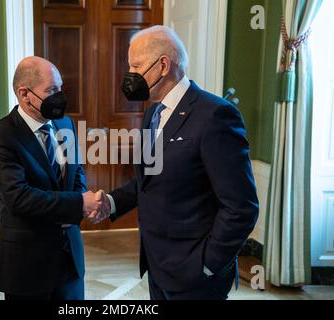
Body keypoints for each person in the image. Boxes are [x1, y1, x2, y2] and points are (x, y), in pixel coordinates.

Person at [90, 26, 259, 300]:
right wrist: (110, 202)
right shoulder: (152, 113)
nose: (130, 74)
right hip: (157, 265)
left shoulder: (216, 115)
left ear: (163, 65)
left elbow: (242, 207)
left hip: (196, 274)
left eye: (136, 65)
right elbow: (148, 181)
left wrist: (208, 264)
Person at [0, 56, 104, 300]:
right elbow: (19, 197)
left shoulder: (65, 123)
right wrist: (78, 204)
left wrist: (75, 209)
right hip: (27, 263)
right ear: (24, 94)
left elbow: (77, 170)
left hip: (69, 256)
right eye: (51, 90)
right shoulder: (0, 137)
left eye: (60, 88)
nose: (59, 96)